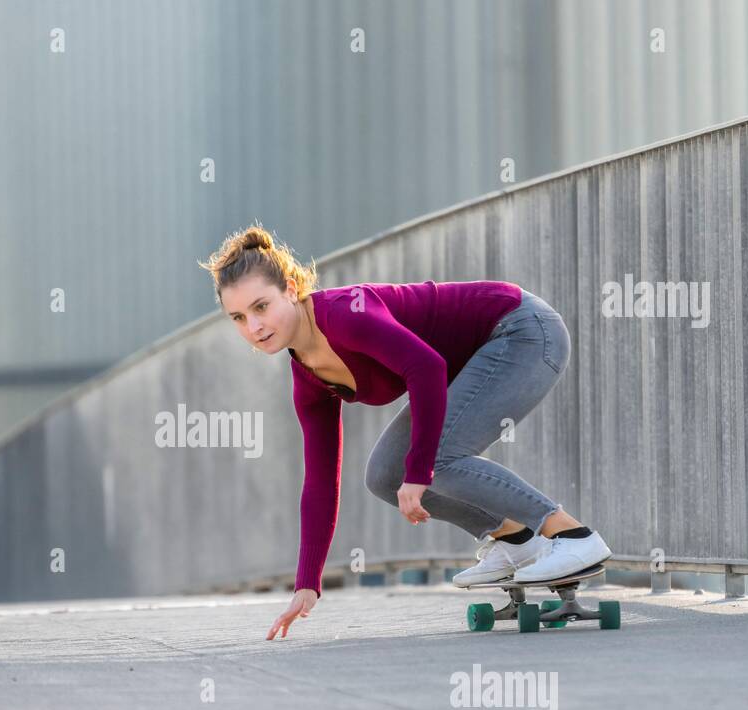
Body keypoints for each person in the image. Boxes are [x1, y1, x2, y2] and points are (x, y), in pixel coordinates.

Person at [198, 224, 611, 640]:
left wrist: (419, 473)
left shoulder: (345, 314)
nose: (254, 326)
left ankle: (573, 535)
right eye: (239, 318)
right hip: (476, 358)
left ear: (290, 289)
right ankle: (516, 539)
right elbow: (320, 481)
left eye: (261, 307)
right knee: (383, 475)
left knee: (436, 460)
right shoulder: (307, 379)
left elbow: (427, 368)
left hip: (521, 329)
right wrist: (307, 582)